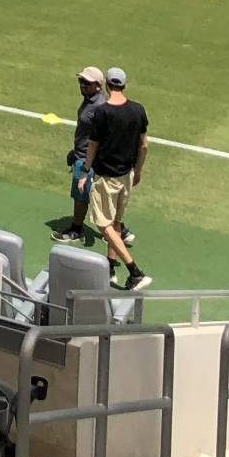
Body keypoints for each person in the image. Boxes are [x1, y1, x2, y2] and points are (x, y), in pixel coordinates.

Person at [79, 66, 150, 290]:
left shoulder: (102, 113)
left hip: (106, 178)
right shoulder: (138, 110)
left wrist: (85, 171)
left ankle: (134, 271)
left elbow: (93, 146)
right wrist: (138, 171)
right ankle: (110, 267)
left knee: (104, 225)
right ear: (124, 85)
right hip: (126, 176)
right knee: (116, 223)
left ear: (108, 85)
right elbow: (144, 146)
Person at [63, 66, 107, 242]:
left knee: (83, 195)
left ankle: (76, 229)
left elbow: (101, 137)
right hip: (82, 154)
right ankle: (120, 230)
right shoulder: (90, 100)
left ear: (98, 85)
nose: (82, 85)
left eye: (87, 83)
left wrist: (89, 159)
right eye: (81, 82)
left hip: (89, 158)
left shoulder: (99, 107)